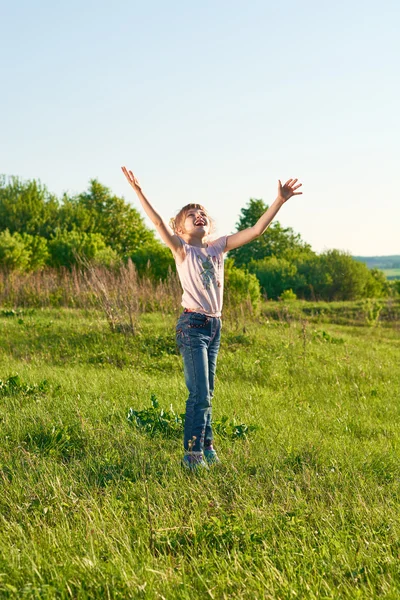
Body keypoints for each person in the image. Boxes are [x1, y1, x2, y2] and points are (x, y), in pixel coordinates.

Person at [121, 166, 302, 469]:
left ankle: (206, 447)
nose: (199, 215)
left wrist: (279, 201)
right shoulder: (181, 250)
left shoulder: (218, 248)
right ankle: (192, 454)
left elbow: (256, 231)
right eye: (191, 214)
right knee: (200, 394)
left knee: (208, 393)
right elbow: (155, 221)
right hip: (192, 326)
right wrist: (139, 190)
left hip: (214, 326)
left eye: (202, 212)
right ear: (179, 229)